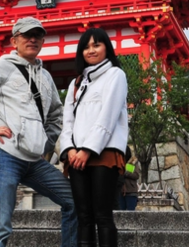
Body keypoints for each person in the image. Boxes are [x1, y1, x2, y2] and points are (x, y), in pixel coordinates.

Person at [0, 17, 77, 247]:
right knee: (0, 225)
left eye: (37, 35)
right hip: (4, 154)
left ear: (42, 41)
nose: (32, 39)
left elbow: (56, 115)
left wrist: (46, 143)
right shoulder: (3, 67)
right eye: (26, 35)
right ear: (14, 40)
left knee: (74, 200)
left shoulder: (46, 76)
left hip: (34, 160)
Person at [59, 27, 128, 247]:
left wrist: (87, 150)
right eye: (86, 47)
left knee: (103, 215)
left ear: (107, 48)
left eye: (96, 45)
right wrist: (70, 149)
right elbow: (67, 121)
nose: (91, 50)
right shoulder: (76, 83)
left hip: (103, 153)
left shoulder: (115, 75)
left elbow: (108, 116)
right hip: (76, 156)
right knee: (83, 216)